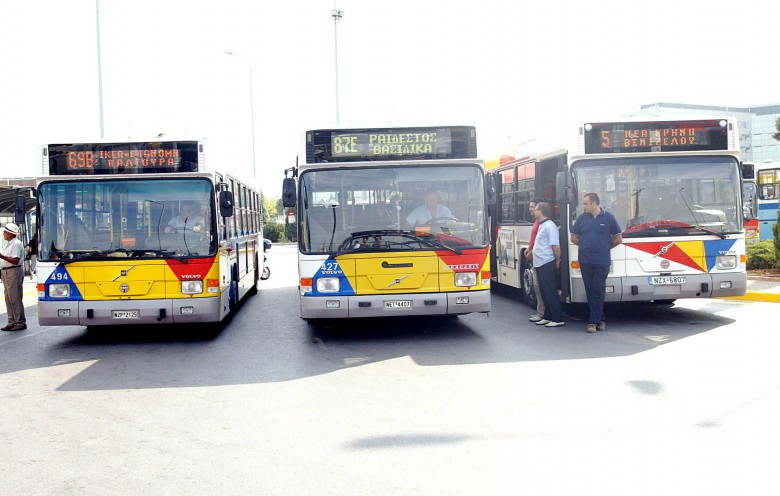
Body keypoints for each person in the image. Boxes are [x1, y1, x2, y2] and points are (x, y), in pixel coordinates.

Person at [570, 192, 623, 333]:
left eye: (586, 203)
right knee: (590, 290)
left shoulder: (609, 217)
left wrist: (604, 247)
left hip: (602, 261)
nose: (584, 206)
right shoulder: (582, 219)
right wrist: (586, 245)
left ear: (594, 203)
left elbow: (618, 238)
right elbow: (573, 238)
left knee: (598, 289)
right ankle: (601, 319)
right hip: (585, 260)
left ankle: (593, 322)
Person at [532, 202, 563, 327]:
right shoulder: (542, 225)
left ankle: (557, 318)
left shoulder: (550, 226)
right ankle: (548, 316)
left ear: (541, 211)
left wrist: (557, 259)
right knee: (544, 291)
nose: (534, 211)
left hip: (546, 262)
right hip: (540, 263)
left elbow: (555, 246)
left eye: (536, 209)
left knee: (550, 291)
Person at [1, 223, 27, 331]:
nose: (3, 233)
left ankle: (20, 322)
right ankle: (11, 321)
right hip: (6, 271)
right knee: (8, 298)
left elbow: (15, 260)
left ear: (11, 234)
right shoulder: (9, 244)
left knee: (15, 297)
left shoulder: (16, 244)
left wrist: (1, 256)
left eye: (5, 232)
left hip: (13, 271)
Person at [525, 199, 546, 322]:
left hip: (538, 257)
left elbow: (540, 242)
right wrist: (529, 249)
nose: (531, 209)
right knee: (537, 286)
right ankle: (541, 312)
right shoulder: (537, 222)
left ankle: (542, 313)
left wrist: (531, 252)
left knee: (539, 286)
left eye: (533, 207)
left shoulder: (542, 224)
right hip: (534, 255)